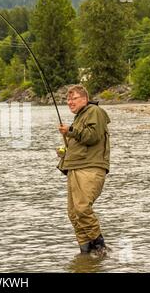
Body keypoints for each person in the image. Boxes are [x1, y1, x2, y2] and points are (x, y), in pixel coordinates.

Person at [57, 85, 111, 256]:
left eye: (73, 98)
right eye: (68, 99)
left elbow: (92, 136)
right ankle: (85, 252)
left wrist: (70, 131)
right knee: (73, 213)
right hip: (75, 168)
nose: (69, 102)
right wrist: (65, 152)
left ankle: (100, 246)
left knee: (82, 209)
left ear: (84, 99)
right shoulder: (81, 117)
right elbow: (82, 141)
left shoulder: (94, 111)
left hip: (89, 168)